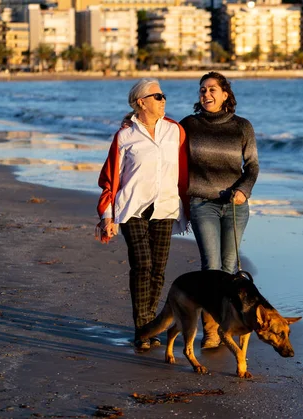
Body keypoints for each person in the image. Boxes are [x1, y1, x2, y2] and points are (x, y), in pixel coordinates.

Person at [95, 78, 188, 352]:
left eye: (163, 94)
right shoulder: (125, 136)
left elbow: (187, 169)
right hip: (132, 207)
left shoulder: (176, 131)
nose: (163, 100)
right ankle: (142, 327)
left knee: (158, 269)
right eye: (158, 95)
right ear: (141, 102)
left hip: (166, 207)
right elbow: (110, 178)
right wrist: (107, 217)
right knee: (142, 264)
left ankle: (151, 326)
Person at [179, 71, 260, 349]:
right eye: (202, 90)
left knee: (229, 269)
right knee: (211, 268)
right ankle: (211, 333)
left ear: (226, 94)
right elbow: (167, 150)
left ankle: (229, 325)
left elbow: (252, 166)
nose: (206, 94)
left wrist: (243, 190)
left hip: (235, 206)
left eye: (212, 89)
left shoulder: (242, 127)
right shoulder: (188, 125)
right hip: (202, 203)